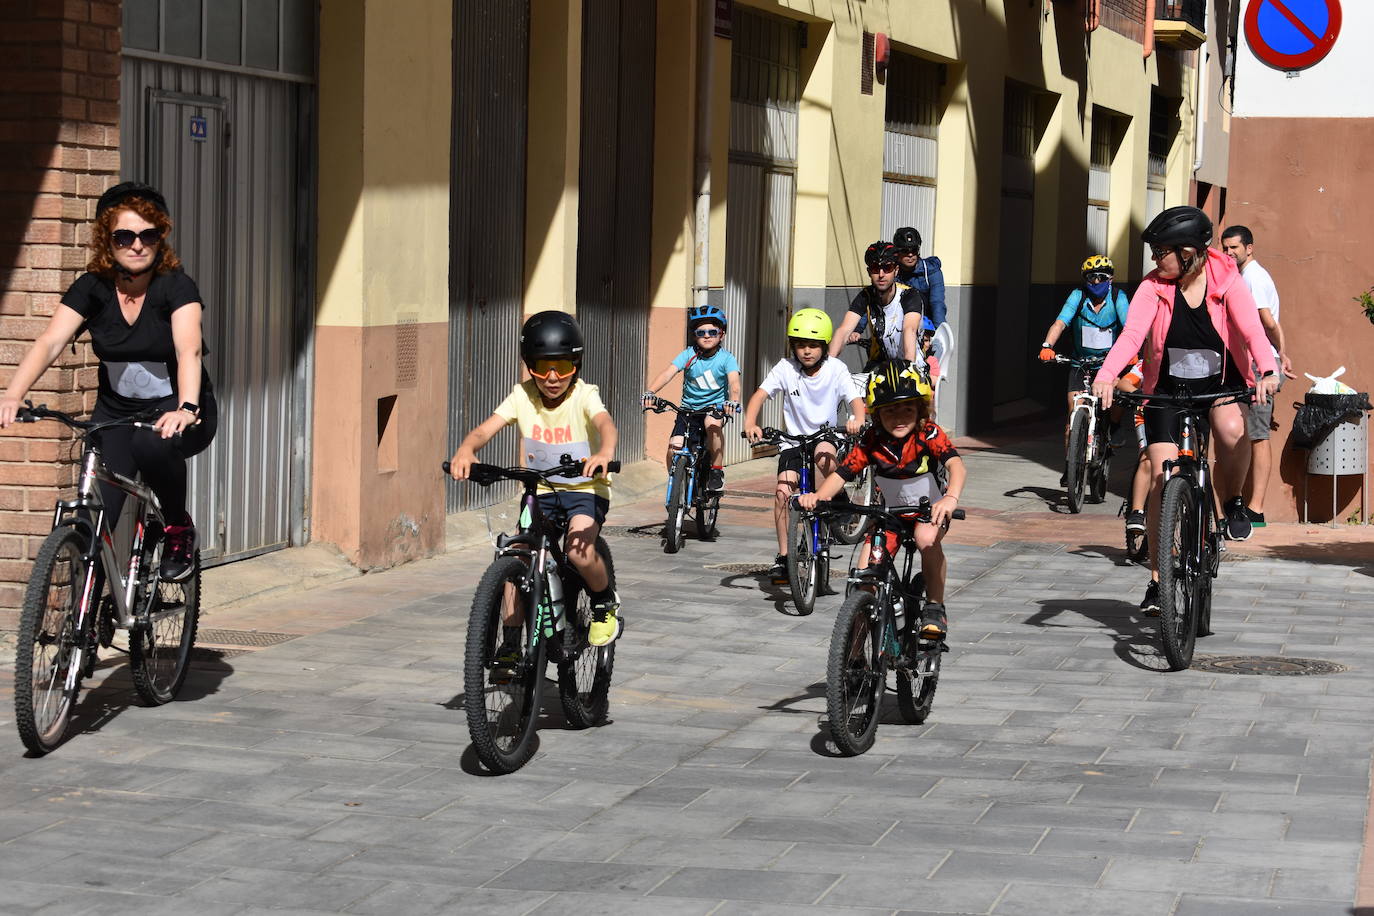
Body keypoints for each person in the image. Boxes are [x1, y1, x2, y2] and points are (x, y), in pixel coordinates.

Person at [0, 182, 216, 582]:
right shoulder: (93, 288)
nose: (137, 245)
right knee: (97, 515)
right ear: (107, 241)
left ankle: (176, 527)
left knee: (152, 442)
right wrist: (13, 394)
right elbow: (50, 342)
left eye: (147, 235)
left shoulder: (175, 286)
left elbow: (189, 351)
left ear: (159, 238)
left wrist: (186, 407)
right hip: (116, 411)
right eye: (124, 236)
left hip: (176, 408)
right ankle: (89, 612)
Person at [1093, 206, 1279, 614]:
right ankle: (1158, 583)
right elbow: (1132, 336)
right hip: (1167, 390)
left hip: (1221, 384)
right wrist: (1107, 375)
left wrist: (1266, 370)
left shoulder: (1228, 280)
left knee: (1232, 429)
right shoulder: (1152, 287)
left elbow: (1251, 330)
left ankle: (1231, 501)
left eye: (1162, 251)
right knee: (1163, 474)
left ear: (1190, 252)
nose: (1156, 259)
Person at [448, 310, 622, 648]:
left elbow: (605, 424)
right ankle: (512, 644)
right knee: (518, 558)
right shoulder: (522, 396)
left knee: (578, 551)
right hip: (540, 491)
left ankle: (603, 601)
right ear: (530, 366)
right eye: (542, 367)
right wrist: (466, 449)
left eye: (562, 367)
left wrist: (605, 452)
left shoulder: (585, 395)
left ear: (577, 365)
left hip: (583, 489)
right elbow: (485, 430)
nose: (552, 377)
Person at [798, 361, 966, 639]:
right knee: (865, 576)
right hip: (890, 515)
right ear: (876, 414)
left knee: (926, 540)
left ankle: (935, 607)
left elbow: (956, 466)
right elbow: (842, 473)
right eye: (889, 410)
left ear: (920, 409)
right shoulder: (872, 440)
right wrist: (818, 497)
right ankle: (854, 656)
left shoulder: (929, 433)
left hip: (928, 513)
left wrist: (950, 498)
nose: (899, 417)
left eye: (907, 408)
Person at [744, 308, 865, 584]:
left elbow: (854, 399)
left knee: (824, 456)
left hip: (826, 436)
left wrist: (857, 419)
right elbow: (760, 396)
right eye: (800, 345)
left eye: (812, 345)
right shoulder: (785, 368)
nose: (806, 351)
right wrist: (751, 422)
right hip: (794, 441)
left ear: (823, 347)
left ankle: (836, 497)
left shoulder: (836, 369)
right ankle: (785, 557)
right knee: (782, 493)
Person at [1220, 225, 1296, 528]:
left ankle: (1256, 509)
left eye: (1234, 248)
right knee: (1247, 433)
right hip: (1255, 364)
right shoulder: (1242, 276)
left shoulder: (1252, 277)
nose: (1228, 253)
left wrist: (1280, 355)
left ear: (1249, 248)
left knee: (1258, 434)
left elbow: (1267, 321)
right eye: (1224, 248)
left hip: (1259, 368)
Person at [1038, 254, 1131, 487]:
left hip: (1110, 365)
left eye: (1102, 277)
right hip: (1081, 363)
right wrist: (1047, 346)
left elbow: (1130, 328)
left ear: (1111, 278)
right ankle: (1071, 464)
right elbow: (1060, 322)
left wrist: (1132, 353)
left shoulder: (1118, 298)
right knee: (1072, 416)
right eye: (1091, 278)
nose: (1096, 282)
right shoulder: (1077, 296)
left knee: (1119, 393)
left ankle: (1115, 426)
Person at [641, 305, 741, 491]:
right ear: (694, 335)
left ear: (722, 334)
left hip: (714, 408)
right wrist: (650, 392)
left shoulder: (727, 358)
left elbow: (734, 383)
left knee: (713, 425)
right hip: (687, 410)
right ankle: (676, 480)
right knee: (674, 447)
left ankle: (716, 470)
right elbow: (668, 373)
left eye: (712, 331)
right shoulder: (688, 354)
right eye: (701, 332)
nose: (707, 336)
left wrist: (732, 402)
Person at [830, 241, 926, 370]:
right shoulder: (866, 295)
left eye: (887, 268)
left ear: (896, 270)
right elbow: (844, 330)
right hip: (880, 366)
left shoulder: (909, 295)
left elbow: (910, 329)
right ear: (869, 272)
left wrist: (908, 366)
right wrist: (827, 367)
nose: (881, 275)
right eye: (876, 268)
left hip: (912, 367)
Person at [893, 226, 946, 328]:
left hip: (926, 324)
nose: (910, 255)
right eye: (905, 250)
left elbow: (937, 303)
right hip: (898, 326)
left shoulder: (931, 270)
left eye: (914, 250)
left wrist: (939, 332)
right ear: (897, 252)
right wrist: (858, 329)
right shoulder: (891, 271)